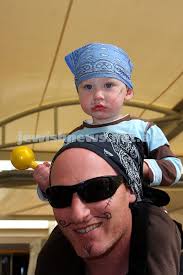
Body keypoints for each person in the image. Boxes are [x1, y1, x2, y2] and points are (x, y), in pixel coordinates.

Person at [33, 43, 183, 274]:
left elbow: (174, 169)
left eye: (109, 85)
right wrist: (47, 183)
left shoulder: (144, 129)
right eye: (87, 87)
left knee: (161, 232)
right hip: (92, 206)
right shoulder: (73, 138)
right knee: (54, 247)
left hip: (143, 206)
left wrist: (140, 167)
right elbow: (65, 189)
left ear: (129, 91)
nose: (97, 95)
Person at [35, 135, 181, 275]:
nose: (78, 214)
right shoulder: (51, 260)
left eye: (98, 189)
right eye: (59, 195)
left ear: (131, 189)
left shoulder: (163, 248)